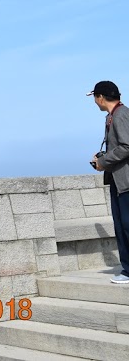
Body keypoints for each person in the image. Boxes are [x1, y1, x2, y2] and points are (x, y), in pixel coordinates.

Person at [89, 80, 129, 284]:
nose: (95, 102)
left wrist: (103, 161)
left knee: (126, 225)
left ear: (101, 97)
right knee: (121, 225)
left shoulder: (121, 115)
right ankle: (127, 269)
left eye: (95, 98)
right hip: (118, 179)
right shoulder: (114, 116)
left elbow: (127, 146)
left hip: (125, 181)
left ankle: (128, 271)